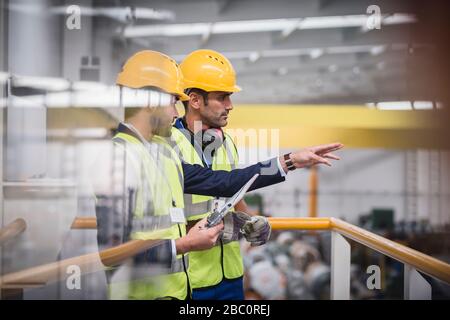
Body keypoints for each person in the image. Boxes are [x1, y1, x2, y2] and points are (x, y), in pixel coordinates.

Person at [95, 50, 343, 300]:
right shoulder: (143, 153)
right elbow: (113, 253)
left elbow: (227, 185)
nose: (174, 111)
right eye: (172, 101)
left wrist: (288, 163)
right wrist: (193, 241)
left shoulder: (163, 154)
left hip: (185, 286)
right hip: (185, 278)